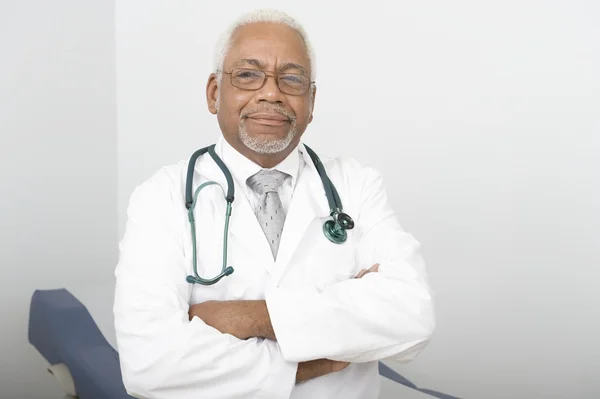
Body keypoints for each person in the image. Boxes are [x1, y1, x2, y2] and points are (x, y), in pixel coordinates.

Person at [113, 8, 435, 399]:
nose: (271, 92)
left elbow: (412, 318)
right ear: (215, 93)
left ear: (311, 101)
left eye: (292, 79)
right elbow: (151, 366)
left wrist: (245, 317)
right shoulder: (161, 198)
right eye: (248, 75)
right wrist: (322, 356)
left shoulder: (356, 185)